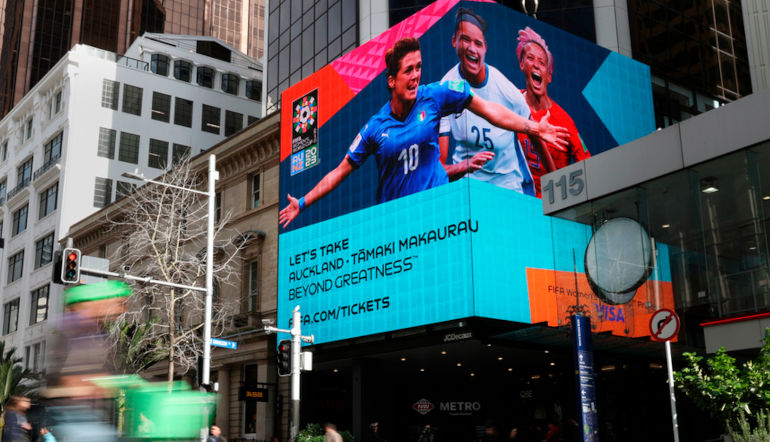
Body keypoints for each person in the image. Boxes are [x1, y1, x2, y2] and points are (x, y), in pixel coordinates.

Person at [279, 37, 569, 228]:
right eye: (408, 70)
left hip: (437, 212)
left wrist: (534, 127)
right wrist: (302, 203)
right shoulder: (375, 127)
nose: (416, 75)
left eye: (418, 67)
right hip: (396, 222)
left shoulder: (436, 96)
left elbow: (491, 110)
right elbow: (340, 171)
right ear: (391, 80)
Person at [438, 8, 534, 194]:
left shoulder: (506, 90)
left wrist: (553, 176)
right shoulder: (445, 88)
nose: (472, 48)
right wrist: (465, 166)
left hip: (508, 186)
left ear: (485, 48)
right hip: (469, 189)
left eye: (478, 43)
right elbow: (439, 166)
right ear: (454, 41)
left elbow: (534, 131)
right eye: (465, 39)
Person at [516, 26, 591, 197]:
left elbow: (587, 165)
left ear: (548, 76)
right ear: (521, 64)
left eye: (542, 63)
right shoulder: (512, 102)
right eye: (530, 58)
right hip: (517, 202)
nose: (536, 65)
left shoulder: (564, 122)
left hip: (552, 207)